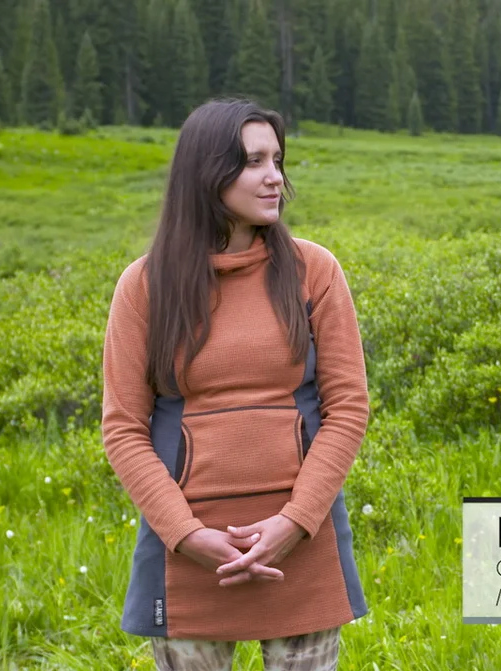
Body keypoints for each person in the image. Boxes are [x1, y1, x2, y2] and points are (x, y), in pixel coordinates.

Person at [101, 98, 369, 670]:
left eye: (278, 159)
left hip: (301, 543)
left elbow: (348, 408)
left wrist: (296, 523)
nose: (275, 176)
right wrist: (187, 535)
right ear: (207, 172)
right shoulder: (144, 286)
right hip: (188, 555)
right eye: (254, 161)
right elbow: (123, 430)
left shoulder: (313, 270)